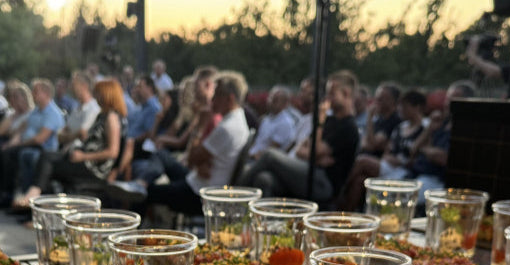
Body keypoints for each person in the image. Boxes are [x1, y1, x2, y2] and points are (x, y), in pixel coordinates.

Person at [134, 71, 251, 218]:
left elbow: (191, 159)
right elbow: (200, 158)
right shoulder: (237, 120)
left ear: (230, 99)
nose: (213, 98)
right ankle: (141, 182)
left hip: (199, 194)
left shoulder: (227, 128)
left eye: (217, 95)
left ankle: (137, 201)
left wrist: (201, 126)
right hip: (198, 181)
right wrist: (201, 162)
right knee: (161, 155)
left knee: (144, 193)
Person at [240, 70, 360, 206]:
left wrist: (320, 123)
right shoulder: (331, 121)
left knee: (270, 155)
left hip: (324, 184)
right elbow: (301, 150)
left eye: (332, 93)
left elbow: (313, 151)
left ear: (346, 94)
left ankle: (237, 196)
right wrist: (317, 157)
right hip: (309, 171)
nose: (327, 98)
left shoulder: (348, 127)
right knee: (265, 179)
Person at [29, 79, 127, 200]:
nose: (95, 97)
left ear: (107, 94)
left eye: (98, 93)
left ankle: (35, 194)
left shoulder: (112, 117)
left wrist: (84, 156)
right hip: (85, 159)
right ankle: (38, 196)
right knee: (47, 156)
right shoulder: (103, 115)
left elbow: (113, 152)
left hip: (93, 168)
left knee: (48, 163)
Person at [334, 89, 427, 211]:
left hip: (403, 171)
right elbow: (385, 150)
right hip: (388, 164)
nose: (401, 109)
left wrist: (402, 162)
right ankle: (344, 213)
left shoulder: (425, 128)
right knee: (359, 181)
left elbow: (416, 154)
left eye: (405, 106)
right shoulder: (400, 127)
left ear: (417, 107)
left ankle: (335, 191)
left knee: (362, 161)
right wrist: (388, 156)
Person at [0, 79, 64, 209]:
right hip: (27, 145)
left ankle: (26, 200)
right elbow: (21, 130)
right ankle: (11, 195)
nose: (33, 94)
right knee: (5, 152)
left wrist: (20, 145)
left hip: (42, 149)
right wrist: (11, 143)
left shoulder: (53, 113)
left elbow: (40, 139)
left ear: (46, 93)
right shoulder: (35, 111)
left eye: (36, 91)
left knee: (25, 155)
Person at [406, 80, 477, 198]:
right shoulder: (441, 123)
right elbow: (413, 150)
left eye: (454, 99)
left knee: (401, 197)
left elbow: (442, 158)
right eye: (448, 98)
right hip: (417, 175)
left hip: (438, 183)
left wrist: (424, 149)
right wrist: (429, 129)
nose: (448, 103)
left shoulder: (466, 129)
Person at [248, 86, 295, 159]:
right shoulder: (267, 118)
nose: (270, 101)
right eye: (270, 97)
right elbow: (258, 142)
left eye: (275, 100)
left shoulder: (285, 123)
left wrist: (251, 156)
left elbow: (271, 150)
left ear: (285, 104)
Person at [59, 71, 101, 147]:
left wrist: (67, 137)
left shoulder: (93, 109)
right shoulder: (76, 109)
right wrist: (74, 136)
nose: (70, 88)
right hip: (68, 151)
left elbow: (83, 134)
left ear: (84, 86)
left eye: (73, 85)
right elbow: (61, 134)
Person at [360, 82, 402, 158]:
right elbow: (364, 142)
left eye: (381, 98)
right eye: (376, 98)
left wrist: (369, 117)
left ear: (393, 100)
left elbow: (373, 144)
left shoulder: (395, 120)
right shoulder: (379, 119)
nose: (376, 101)